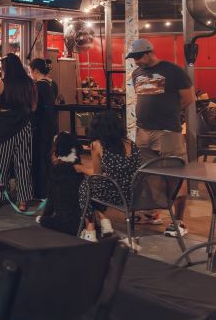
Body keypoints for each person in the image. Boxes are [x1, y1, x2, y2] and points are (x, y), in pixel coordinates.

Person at [126, 38, 194, 237]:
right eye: (133, 57)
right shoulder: (137, 73)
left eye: (138, 56)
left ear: (149, 52)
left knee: (175, 176)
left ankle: (179, 222)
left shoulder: (173, 71)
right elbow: (145, 98)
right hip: (143, 131)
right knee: (147, 176)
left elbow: (188, 98)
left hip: (166, 132)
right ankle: (151, 213)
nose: (136, 61)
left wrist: (170, 113)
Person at [76, 111, 142, 242]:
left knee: (86, 186)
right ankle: (104, 222)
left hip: (114, 194)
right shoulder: (131, 143)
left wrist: (81, 168)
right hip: (134, 194)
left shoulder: (97, 144)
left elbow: (97, 175)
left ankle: (90, 229)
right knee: (93, 187)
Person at [0, 53, 37, 212]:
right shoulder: (30, 83)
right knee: (23, 164)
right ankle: (23, 201)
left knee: (1, 163)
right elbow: (34, 108)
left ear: (5, 68)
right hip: (24, 127)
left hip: (4, 128)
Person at [38, 131, 86, 236]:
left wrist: (45, 217)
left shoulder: (57, 171)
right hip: (81, 223)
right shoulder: (78, 169)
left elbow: (51, 199)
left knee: (45, 220)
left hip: (64, 224)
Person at [29, 58, 58, 199]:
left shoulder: (38, 86)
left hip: (40, 127)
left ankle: (41, 191)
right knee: (48, 158)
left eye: (30, 71)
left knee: (39, 158)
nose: (30, 74)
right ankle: (51, 190)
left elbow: (34, 108)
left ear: (35, 71)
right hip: (51, 125)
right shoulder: (53, 84)